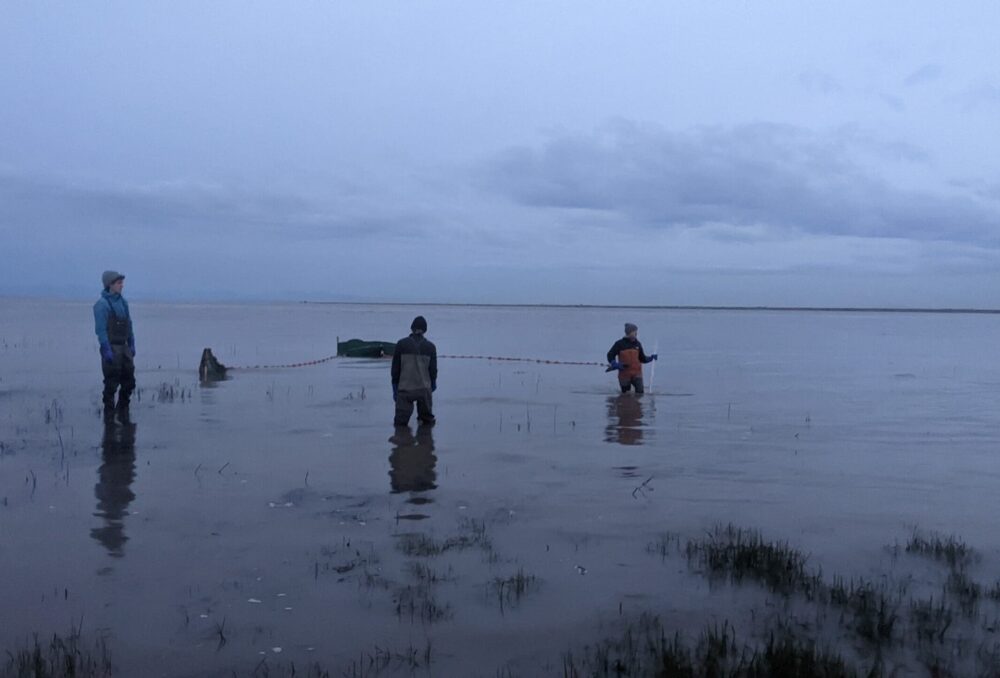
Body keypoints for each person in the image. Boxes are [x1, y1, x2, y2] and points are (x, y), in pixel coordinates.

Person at [93, 270, 136, 421]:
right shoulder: (101, 305)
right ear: (109, 285)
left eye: (122, 283)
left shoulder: (123, 302)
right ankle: (109, 415)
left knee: (129, 381)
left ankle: (123, 411)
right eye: (119, 283)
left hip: (124, 347)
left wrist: (131, 342)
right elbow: (100, 329)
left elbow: (129, 323)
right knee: (111, 383)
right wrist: (105, 349)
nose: (122, 285)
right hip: (111, 347)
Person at [391, 315, 437, 427]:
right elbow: (433, 370)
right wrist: (433, 384)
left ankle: (402, 442)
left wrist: (394, 386)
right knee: (427, 423)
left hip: (405, 389)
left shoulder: (401, 344)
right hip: (424, 389)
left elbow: (395, 369)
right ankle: (426, 440)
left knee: (400, 425)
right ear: (425, 330)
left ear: (412, 328)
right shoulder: (431, 347)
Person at [606, 322, 657, 394]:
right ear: (629, 333)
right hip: (624, 374)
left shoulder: (638, 344)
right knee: (625, 394)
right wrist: (614, 363)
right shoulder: (619, 344)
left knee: (640, 393)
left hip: (637, 374)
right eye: (634, 331)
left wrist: (651, 358)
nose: (636, 333)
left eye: (636, 331)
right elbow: (610, 355)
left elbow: (642, 358)